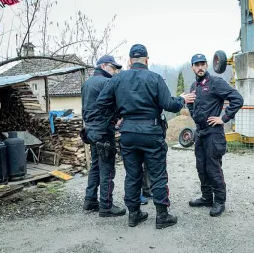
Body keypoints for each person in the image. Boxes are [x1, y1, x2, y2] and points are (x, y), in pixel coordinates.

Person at [97, 44, 195, 229]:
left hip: (128, 133)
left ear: (129, 61)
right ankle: (162, 216)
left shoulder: (118, 79)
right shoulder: (154, 78)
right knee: (157, 175)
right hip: (151, 132)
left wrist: (116, 118)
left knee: (132, 175)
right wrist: (182, 99)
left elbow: (102, 102)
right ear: (146, 60)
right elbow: (169, 104)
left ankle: (134, 214)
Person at [187, 53, 243, 217]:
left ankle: (219, 201)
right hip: (200, 133)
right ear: (192, 67)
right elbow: (191, 106)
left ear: (207, 65)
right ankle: (206, 197)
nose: (200, 67)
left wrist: (223, 118)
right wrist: (195, 116)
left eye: (203, 64)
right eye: (196, 65)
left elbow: (237, 99)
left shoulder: (215, 82)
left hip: (214, 133)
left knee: (213, 168)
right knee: (201, 167)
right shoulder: (193, 87)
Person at [81, 55, 126, 218]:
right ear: (103, 66)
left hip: (90, 132)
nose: (114, 71)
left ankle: (90, 200)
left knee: (95, 166)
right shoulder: (106, 83)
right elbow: (115, 106)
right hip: (103, 131)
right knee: (107, 168)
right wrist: (117, 119)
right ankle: (106, 206)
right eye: (113, 68)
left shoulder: (86, 84)